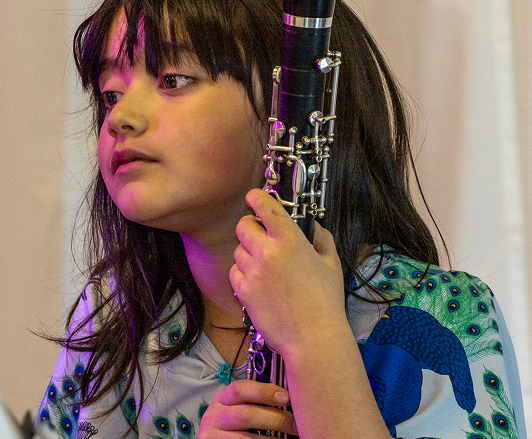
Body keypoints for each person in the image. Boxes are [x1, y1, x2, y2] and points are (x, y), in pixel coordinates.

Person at [35, 0, 527, 438]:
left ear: (293, 103)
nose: (121, 117)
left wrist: (315, 341)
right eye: (110, 94)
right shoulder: (117, 312)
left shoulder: (440, 312)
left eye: (172, 80)